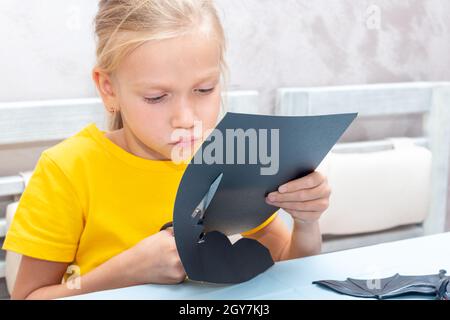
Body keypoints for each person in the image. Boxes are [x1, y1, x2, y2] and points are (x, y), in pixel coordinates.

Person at [3, 0, 331, 299]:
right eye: (156, 97)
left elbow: (290, 273)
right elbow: (28, 297)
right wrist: (123, 273)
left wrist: (306, 221)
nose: (186, 119)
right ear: (109, 89)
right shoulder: (68, 170)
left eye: (204, 89)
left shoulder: (229, 158)